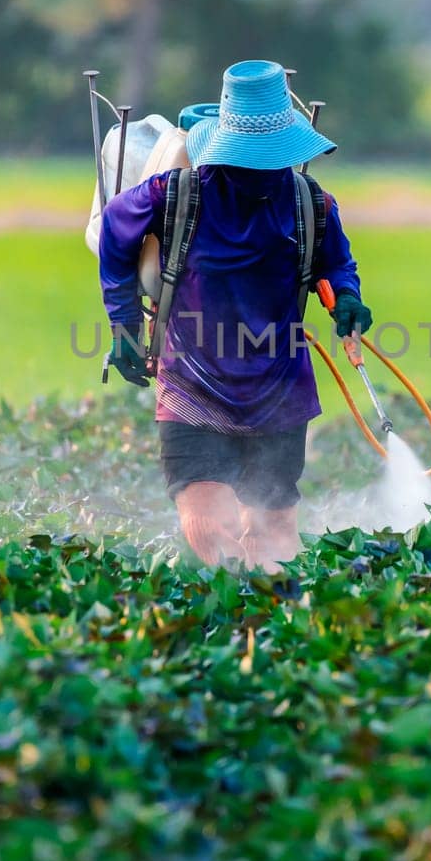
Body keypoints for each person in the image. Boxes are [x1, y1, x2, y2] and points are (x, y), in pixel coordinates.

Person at [97, 59, 372, 572]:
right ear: (223, 151)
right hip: (192, 386)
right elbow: (115, 230)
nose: (266, 171)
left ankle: (273, 637)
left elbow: (337, 263)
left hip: (280, 390)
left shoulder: (311, 204)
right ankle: (221, 629)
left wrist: (348, 298)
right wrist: (124, 324)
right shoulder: (176, 195)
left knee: (274, 535)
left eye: (276, 159)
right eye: (252, 159)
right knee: (210, 527)